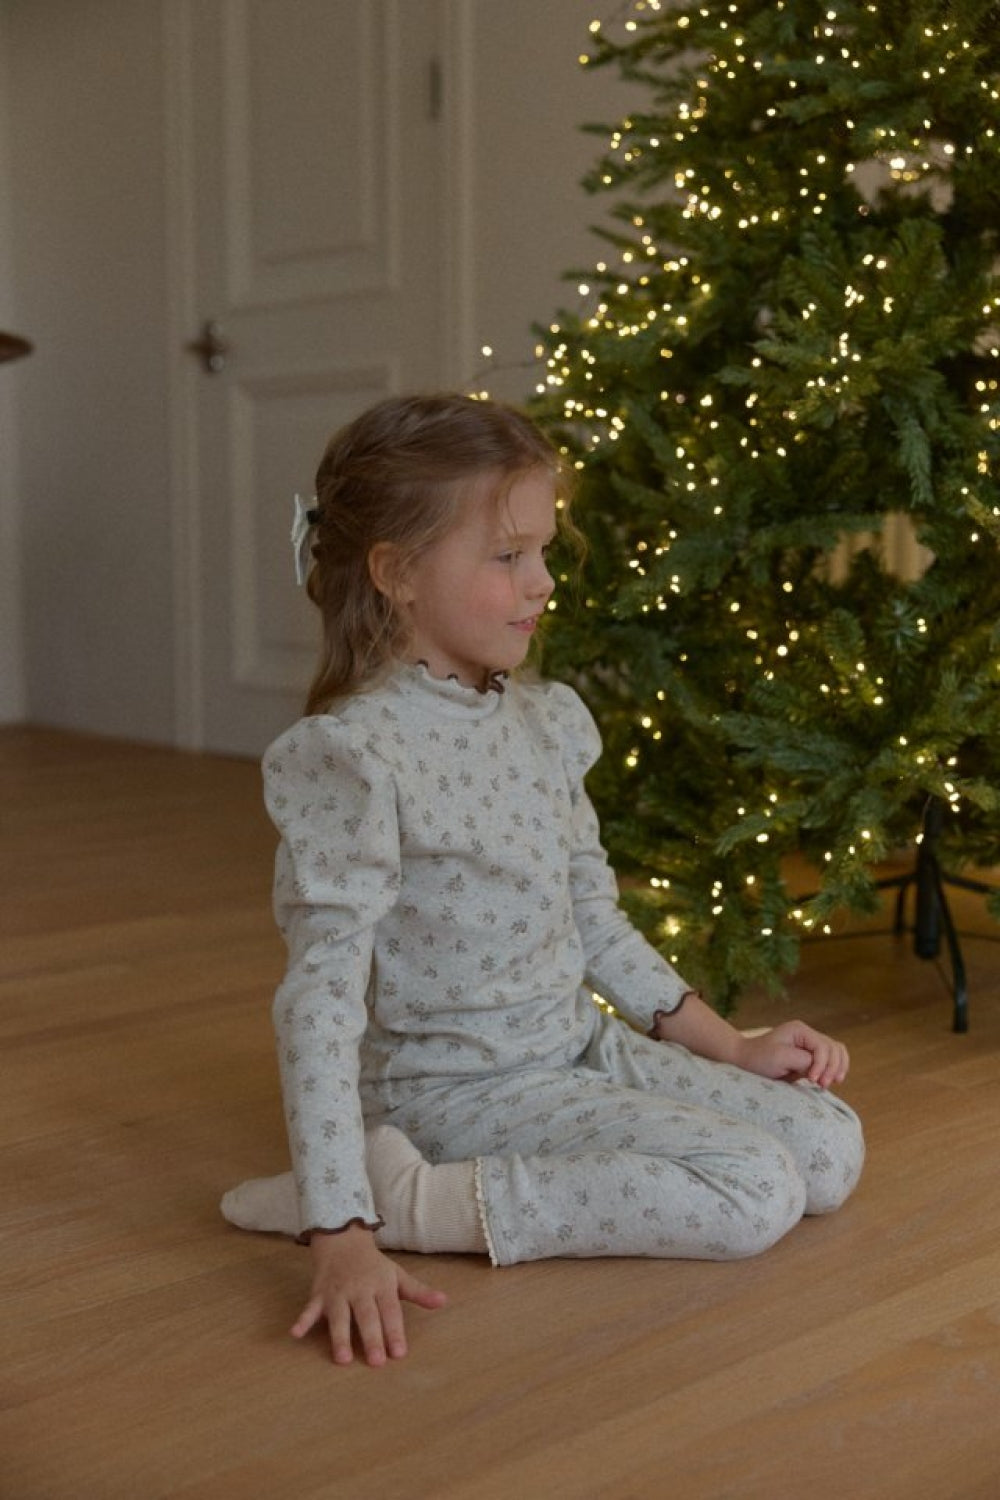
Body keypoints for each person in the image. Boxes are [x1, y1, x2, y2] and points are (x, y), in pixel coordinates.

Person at [221, 392, 864, 1368]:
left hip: (576, 1049)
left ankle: (444, 1175)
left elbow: (591, 920)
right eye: (507, 556)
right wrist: (341, 1226)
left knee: (827, 1147)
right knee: (756, 1191)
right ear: (395, 572)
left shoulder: (543, 722)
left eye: (545, 552)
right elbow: (316, 1007)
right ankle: (404, 1194)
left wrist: (727, 1045)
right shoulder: (354, 759)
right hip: (454, 1094)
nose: (543, 583)